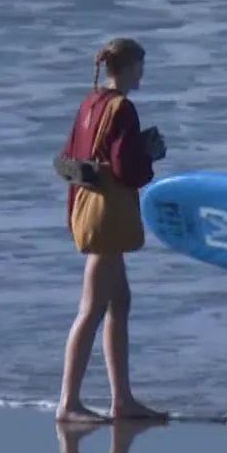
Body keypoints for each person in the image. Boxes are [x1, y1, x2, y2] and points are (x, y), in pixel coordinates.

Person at [55, 37, 169, 424]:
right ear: (130, 67)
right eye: (141, 65)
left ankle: (122, 399)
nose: (143, 73)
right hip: (107, 213)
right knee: (91, 310)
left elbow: (74, 154)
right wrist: (148, 155)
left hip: (86, 206)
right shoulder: (122, 108)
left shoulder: (91, 101)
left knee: (119, 303)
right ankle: (68, 403)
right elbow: (126, 170)